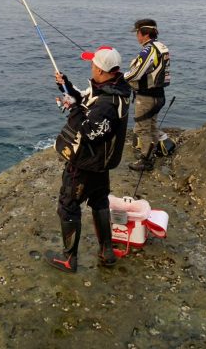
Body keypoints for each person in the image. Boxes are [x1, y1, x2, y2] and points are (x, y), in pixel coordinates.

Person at [45, 46, 131, 274]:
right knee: (99, 200)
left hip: (86, 164)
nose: (91, 67)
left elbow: (90, 132)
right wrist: (66, 85)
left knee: (68, 206)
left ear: (102, 71)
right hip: (101, 164)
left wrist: (72, 109)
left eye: (93, 65)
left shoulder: (107, 103)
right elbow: (85, 99)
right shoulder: (115, 89)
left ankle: (69, 260)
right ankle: (107, 251)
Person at [124, 19, 171, 172]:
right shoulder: (162, 47)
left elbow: (137, 73)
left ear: (143, 34)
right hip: (159, 95)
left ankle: (146, 160)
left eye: (137, 33)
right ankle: (153, 151)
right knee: (151, 125)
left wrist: (122, 77)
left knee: (143, 128)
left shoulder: (148, 50)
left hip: (146, 97)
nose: (136, 36)